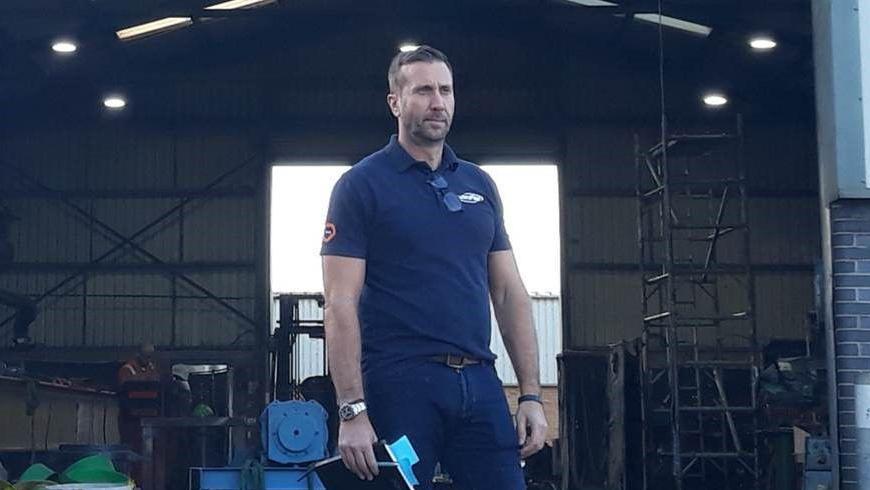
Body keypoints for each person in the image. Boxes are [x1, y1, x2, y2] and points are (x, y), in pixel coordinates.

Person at [320, 46, 547, 489]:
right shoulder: (361, 186)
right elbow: (339, 302)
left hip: (479, 381)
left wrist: (532, 394)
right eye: (424, 91)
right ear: (395, 102)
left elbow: (508, 293)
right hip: (399, 383)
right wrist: (351, 410)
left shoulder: (479, 184)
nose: (438, 102)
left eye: (446, 90)